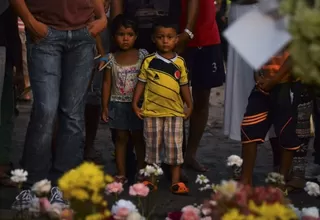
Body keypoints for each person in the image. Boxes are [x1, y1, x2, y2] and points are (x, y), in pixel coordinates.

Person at [10, 0, 107, 209]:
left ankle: (63, 187)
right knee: (45, 111)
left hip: (83, 33)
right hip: (44, 32)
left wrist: (101, 17)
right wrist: (29, 21)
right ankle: (32, 186)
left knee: (72, 113)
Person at [110, 0, 199, 182]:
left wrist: (187, 31)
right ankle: (131, 166)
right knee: (130, 90)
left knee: (170, 88)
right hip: (133, 25)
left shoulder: (169, 39)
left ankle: (173, 166)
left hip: (168, 25)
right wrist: (116, 25)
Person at [132, 17, 193, 194]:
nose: (165, 41)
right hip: (151, 112)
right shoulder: (149, 61)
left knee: (174, 148)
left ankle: (175, 182)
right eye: (160, 37)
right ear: (153, 39)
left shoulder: (180, 63)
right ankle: (151, 180)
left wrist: (189, 104)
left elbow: (184, 86)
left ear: (176, 39)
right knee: (152, 148)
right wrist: (135, 103)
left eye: (169, 37)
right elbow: (141, 83)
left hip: (175, 113)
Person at [240, 49, 301, 189]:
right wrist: (257, 76)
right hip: (263, 84)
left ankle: (281, 181)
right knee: (249, 127)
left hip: (287, 83)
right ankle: (245, 180)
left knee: (286, 132)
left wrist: (275, 79)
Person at [101, 14, 148, 184]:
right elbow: (107, 83)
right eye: (121, 34)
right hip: (117, 104)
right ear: (114, 37)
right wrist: (105, 106)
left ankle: (142, 171)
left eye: (129, 34)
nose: (125, 38)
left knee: (139, 138)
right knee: (120, 139)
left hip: (138, 105)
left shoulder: (143, 56)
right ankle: (121, 173)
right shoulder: (110, 59)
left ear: (136, 36)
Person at [181, 0, 225, 172]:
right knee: (174, 97)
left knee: (202, 99)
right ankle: (178, 154)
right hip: (176, 33)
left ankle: (190, 155)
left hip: (207, 37)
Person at [224, 0, 257, 141]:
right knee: (243, 83)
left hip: (263, 14)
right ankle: (248, 133)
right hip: (242, 14)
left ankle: (278, 148)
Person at [0, 1, 22, 187]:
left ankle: (2, 165)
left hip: (3, 53)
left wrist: (19, 70)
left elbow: (13, 33)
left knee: (5, 113)